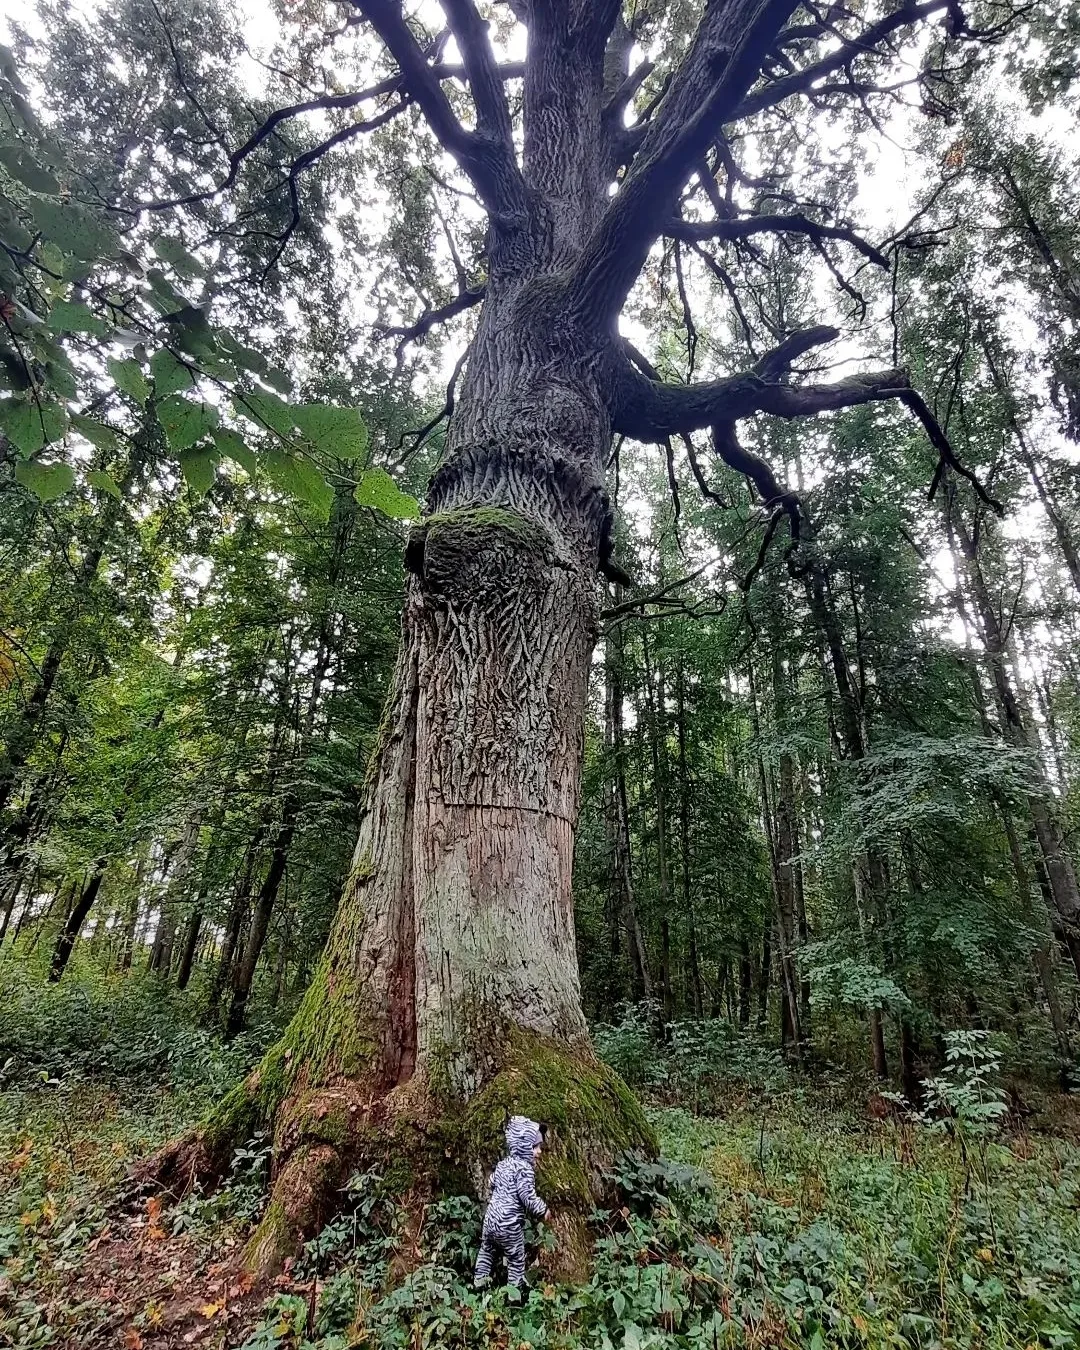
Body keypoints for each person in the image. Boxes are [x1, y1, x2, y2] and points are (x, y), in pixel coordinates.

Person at [473, 1115, 550, 1291]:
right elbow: (527, 1197)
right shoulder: (525, 1170)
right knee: (516, 1258)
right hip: (509, 1224)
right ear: (523, 1147)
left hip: (491, 1220)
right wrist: (542, 1210)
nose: (539, 1151)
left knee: (486, 1250)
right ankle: (514, 1294)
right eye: (534, 1147)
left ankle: (479, 1283)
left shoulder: (503, 1164)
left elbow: (491, 1181)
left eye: (539, 1146)